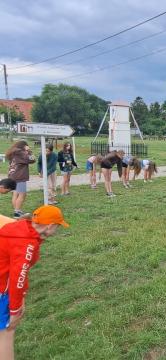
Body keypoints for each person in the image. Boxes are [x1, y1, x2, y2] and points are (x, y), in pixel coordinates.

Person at [0, 205, 69, 359]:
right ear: (50, 226)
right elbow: (18, 277)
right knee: (6, 334)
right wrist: (15, 309)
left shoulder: (19, 227)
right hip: (1, 289)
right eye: (58, 227)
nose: (56, 231)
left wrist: (22, 296)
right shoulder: (26, 244)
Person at [6, 141, 36, 218]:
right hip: (20, 176)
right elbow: (32, 160)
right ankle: (17, 212)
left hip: (12, 176)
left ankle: (17, 210)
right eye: (27, 146)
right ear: (24, 146)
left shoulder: (13, 152)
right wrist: (29, 151)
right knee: (22, 194)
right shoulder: (21, 153)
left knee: (15, 193)